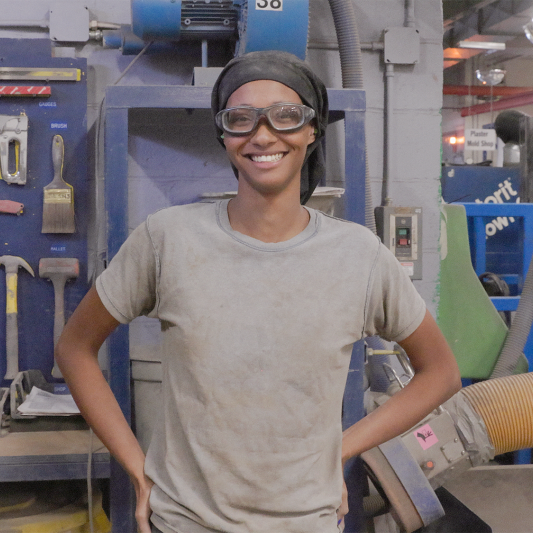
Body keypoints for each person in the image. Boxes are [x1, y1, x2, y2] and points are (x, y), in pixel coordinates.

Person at [56, 50, 461, 533]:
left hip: (305, 522)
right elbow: (75, 348)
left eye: (286, 117)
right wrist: (137, 469)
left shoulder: (360, 255)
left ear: (312, 131)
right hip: (185, 522)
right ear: (224, 134)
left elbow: (440, 373)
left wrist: (344, 448)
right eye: (241, 119)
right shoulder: (166, 239)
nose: (263, 135)